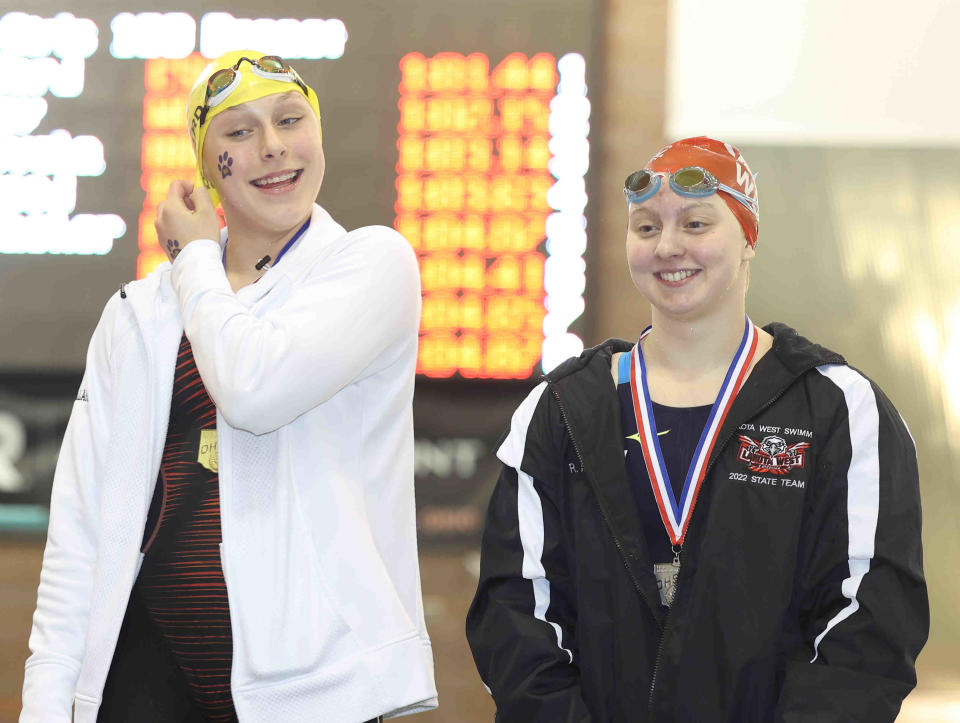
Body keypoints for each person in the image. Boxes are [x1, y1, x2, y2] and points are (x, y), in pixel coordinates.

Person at [21, 50, 437, 722]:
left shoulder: (370, 264)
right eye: (239, 132)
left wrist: (193, 260)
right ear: (206, 166)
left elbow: (253, 387)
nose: (273, 147)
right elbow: (81, 530)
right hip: (146, 675)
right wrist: (47, 703)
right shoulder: (136, 313)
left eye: (290, 119)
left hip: (314, 688)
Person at [466, 137, 928, 721]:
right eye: (646, 227)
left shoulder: (838, 410)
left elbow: (873, 620)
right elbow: (515, 613)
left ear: (748, 237)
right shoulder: (561, 411)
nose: (668, 246)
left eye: (696, 222)